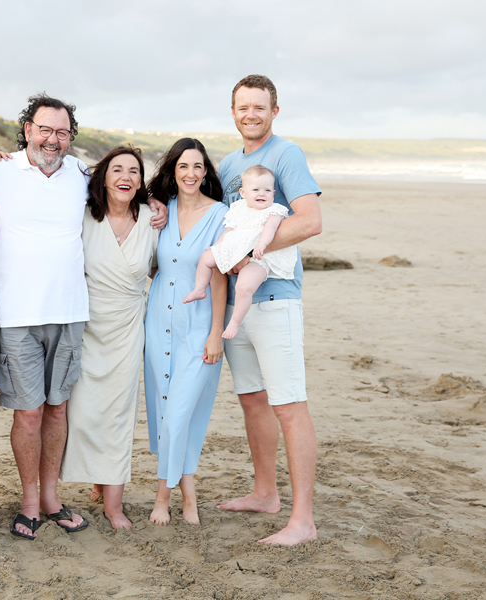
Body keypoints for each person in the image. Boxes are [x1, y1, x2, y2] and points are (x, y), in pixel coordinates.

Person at [0, 93, 167, 540]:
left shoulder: (81, 174)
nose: (52, 140)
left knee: (57, 410)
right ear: (27, 130)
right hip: (14, 315)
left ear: (70, 137)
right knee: (29, 413)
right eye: (44, 130)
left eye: (62, 132)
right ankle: (29, 501)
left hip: (70, 312)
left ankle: (52, 498)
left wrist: (156, 204)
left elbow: (123, 186)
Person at [216, 74, 322, 545]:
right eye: (243, 107)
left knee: (289, 405)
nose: (251, 114)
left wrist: (247, 253)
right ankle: (265, 493)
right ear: (233, 112)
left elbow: (310, 221)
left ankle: (303, 522)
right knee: (252, 399)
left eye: (260, 107)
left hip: (276, 300)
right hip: (236, 305)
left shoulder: (286, 154)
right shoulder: (227, 165)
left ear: (274, 111)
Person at [59, 146, 159, 530]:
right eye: (117, 169)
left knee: (118, 414)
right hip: (86, 325)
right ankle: (98, 481)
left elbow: (162, 268)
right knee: (83, 412)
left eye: (134, 171)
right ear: (103, 177)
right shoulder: (83, 216)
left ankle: (113, 505)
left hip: (128, 327)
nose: (126, 177)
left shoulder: (152, 218)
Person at [144, 138, 228, 526]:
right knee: (167, 413)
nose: (190, 173)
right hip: (159, 322)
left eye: (197, 166)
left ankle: (163, 497)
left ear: (206, 171)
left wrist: (216, 333)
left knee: (179, 414)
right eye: (183, 166)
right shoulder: (161, 210)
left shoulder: (220, 215)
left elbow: (220, 277)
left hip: (198, 327)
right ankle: (189, 495)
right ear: (173, 171)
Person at [183, 165, 296, 339]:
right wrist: (217, 245)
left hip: (258, 258)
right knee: (205, 257)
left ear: (273, 193)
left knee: (243, 286)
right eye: (256, 189)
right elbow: (229, 230)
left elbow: (270, 230)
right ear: (243, 193)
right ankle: (199, 288)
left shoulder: (274, 211)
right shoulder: (238, 208)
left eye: (267, 190)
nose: (262, 194)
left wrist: (261, 245)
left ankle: (235, 322)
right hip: (235, 249)